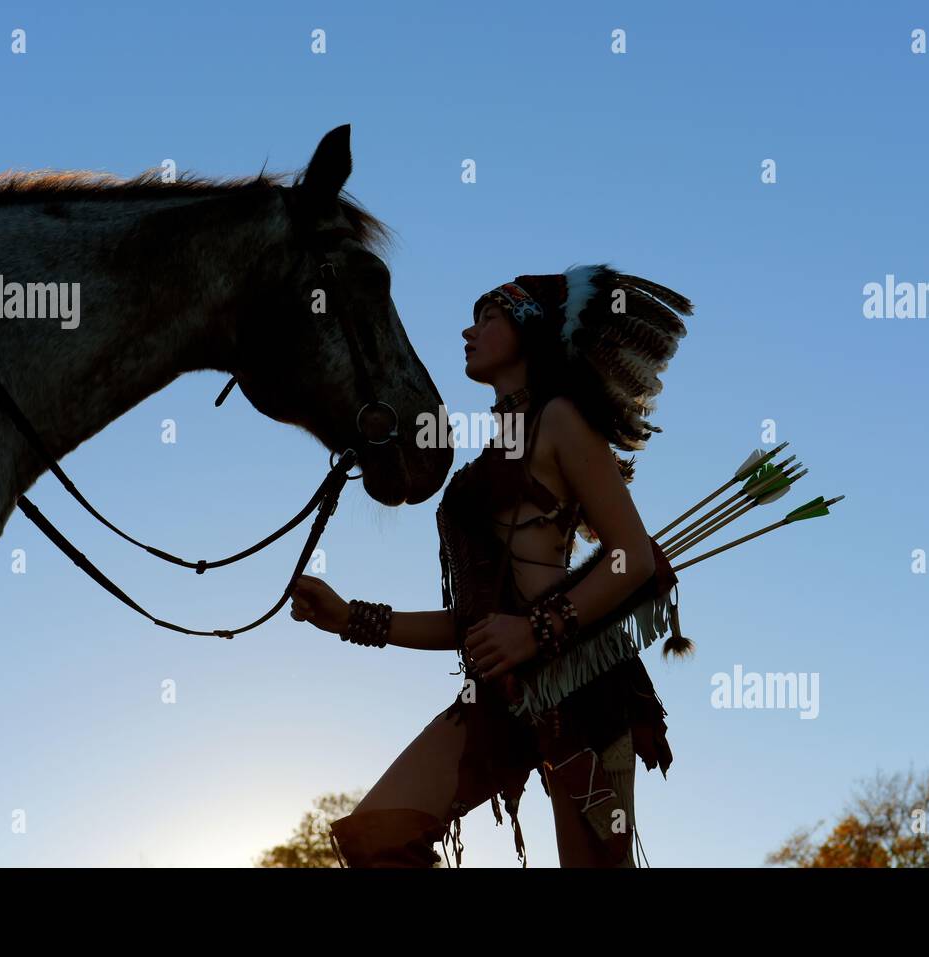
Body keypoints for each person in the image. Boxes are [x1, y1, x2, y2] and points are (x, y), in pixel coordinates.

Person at [289, 264, 695, 867]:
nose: (468, 331)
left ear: (528, 330)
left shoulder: (561, 421)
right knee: (377, 837)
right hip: (500, 694)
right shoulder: (492, 453)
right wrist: (352, 617)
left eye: (489, 317)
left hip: (576, 686)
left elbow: (632, 558)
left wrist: (532, 631)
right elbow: (476, 626)